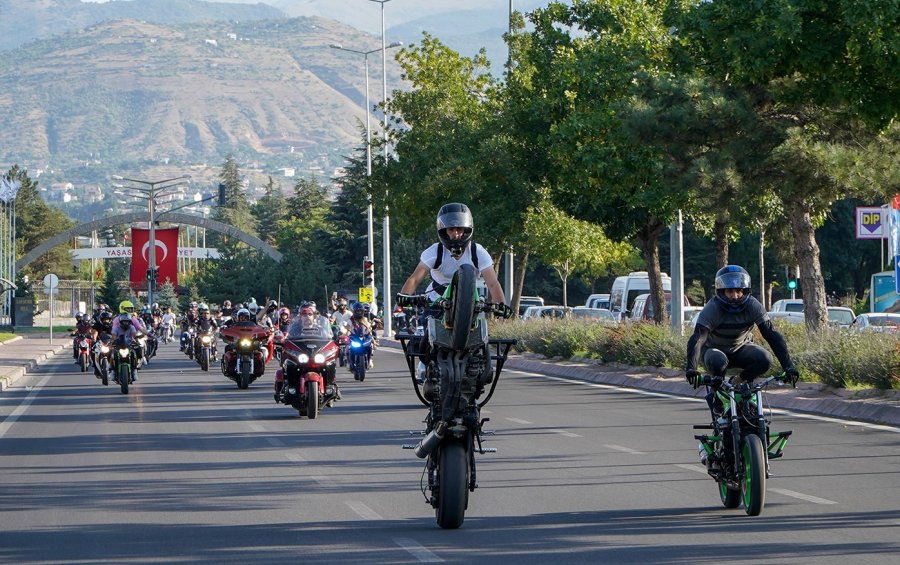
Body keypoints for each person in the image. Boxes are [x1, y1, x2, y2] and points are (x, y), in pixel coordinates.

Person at [684, 265, 800, 462]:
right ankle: (718, 401)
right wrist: (692, 368)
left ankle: (738, 381)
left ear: (746, 291)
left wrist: (788, 366)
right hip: (714, 352)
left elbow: (771, 335)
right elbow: (698, 338)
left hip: (741, 349)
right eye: (730, 291)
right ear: (721, 291)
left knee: (765, 359)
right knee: (718, 361)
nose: (735, 296)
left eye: (740, 291)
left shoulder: (754, 305)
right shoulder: (712, 309)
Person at [399, 203, 506, 306]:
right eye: (451, 229)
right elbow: (415, 279)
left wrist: (502, 306)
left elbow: (492, 283)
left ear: (466, 230)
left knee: (481, 322)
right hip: (436, 301)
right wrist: (403, 299)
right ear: (444, 231)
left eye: (459, 229)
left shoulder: (478, 252)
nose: (455, 233)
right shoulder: (435, 251)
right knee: (428, 321)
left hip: (469, 303)